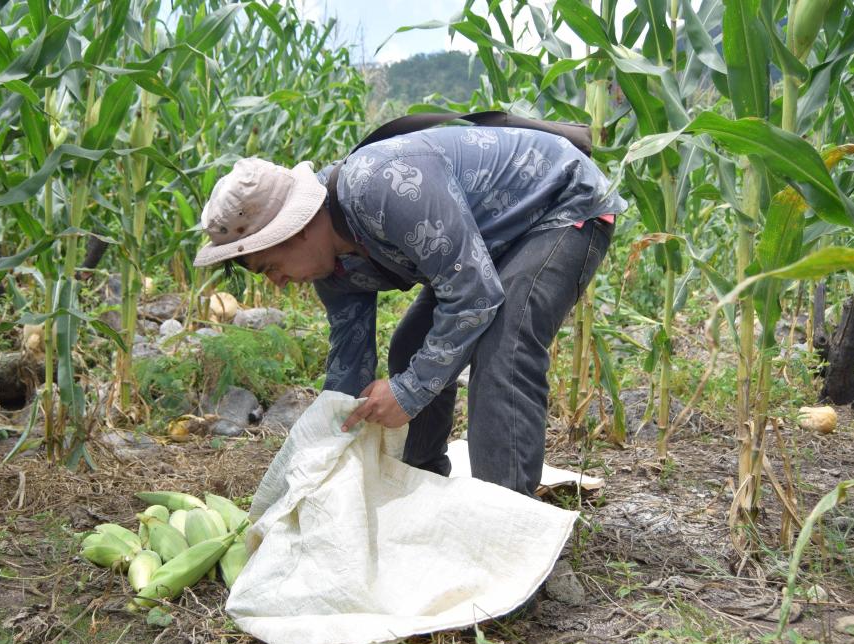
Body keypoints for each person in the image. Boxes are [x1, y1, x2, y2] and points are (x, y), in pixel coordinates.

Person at [193, 125, 625, 496]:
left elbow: (474, 295)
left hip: (559, 204)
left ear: (297, 229)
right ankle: (421, 485)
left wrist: (408, 393)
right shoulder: (336, 270)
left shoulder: (378, 187)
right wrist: (317, 458)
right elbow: (349, 366)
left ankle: (503, 530)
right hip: (487, 242)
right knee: (410, 349)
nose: (278, 282)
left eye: (271, 266)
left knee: (503, 351)